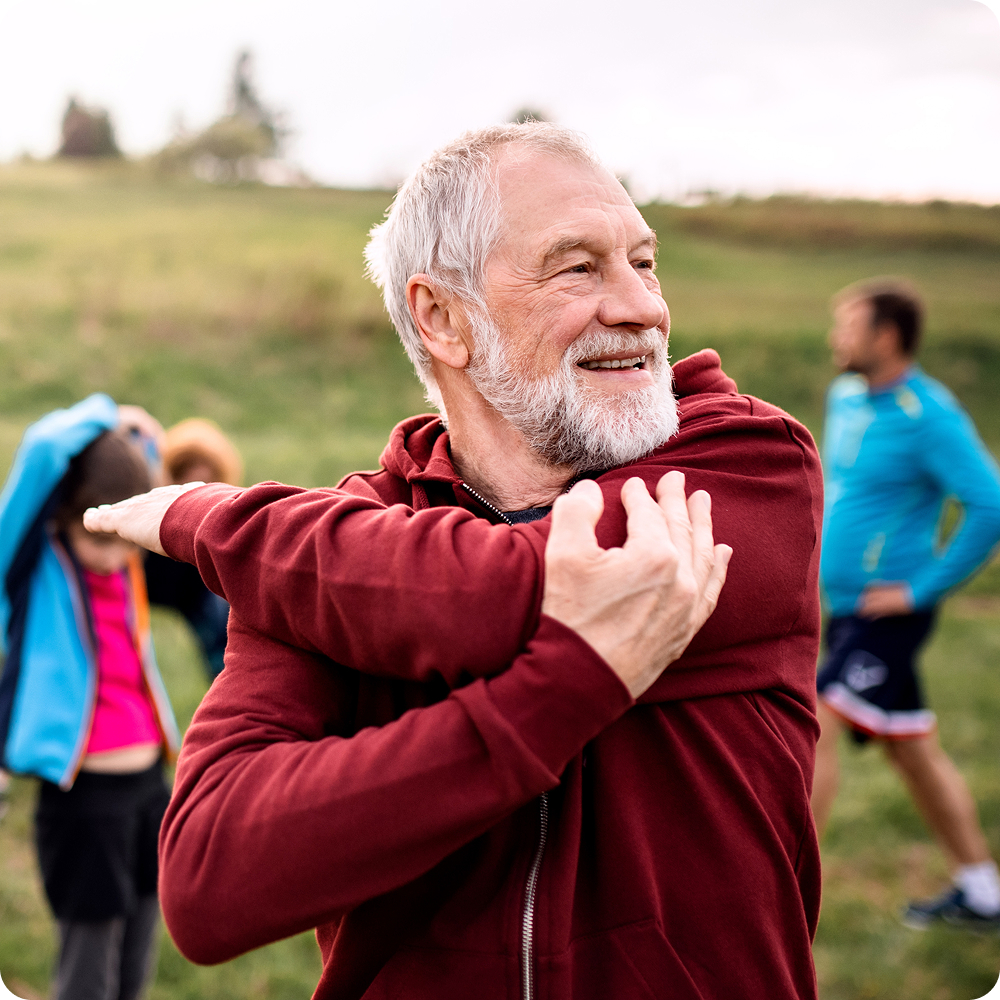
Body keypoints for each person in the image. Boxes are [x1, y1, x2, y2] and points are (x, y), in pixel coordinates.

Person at [87, 123, 824, 999]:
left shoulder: (749, 461)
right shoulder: (333, 547)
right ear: (442, 318)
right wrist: (564, 688)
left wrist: (208, 519)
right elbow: (210, 882)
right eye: (579, 267)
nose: (643, 306)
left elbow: (506, 592)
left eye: (645, 261)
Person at [811, 277, 1000, 929]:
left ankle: (779, 893)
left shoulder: (931, 417)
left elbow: (989, 503)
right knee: (912, 748)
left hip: (887, 614)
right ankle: (984, 892)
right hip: (843, 608)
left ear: (885, 336)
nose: (836, 337)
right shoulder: (846, 397)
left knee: (816, 718)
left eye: (848, 325)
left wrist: (921, 589)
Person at [0, 394, 180, 1000]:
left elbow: (137, 479)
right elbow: (47, 449)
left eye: (122, 540)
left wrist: (141, 447)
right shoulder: (30, 566)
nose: (116, 555)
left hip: (149, 784)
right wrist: (114, 413)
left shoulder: (123, 560)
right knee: (88, 966)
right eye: (97, 538)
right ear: (60, 518)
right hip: (84, 798)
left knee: (138, 950)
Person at [143, 418, 242, 679]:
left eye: (206, 488)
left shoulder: (219, 527)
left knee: (224, 637)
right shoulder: (144, 513)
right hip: (146, 576)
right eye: (185, 486)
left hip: (190, 587)